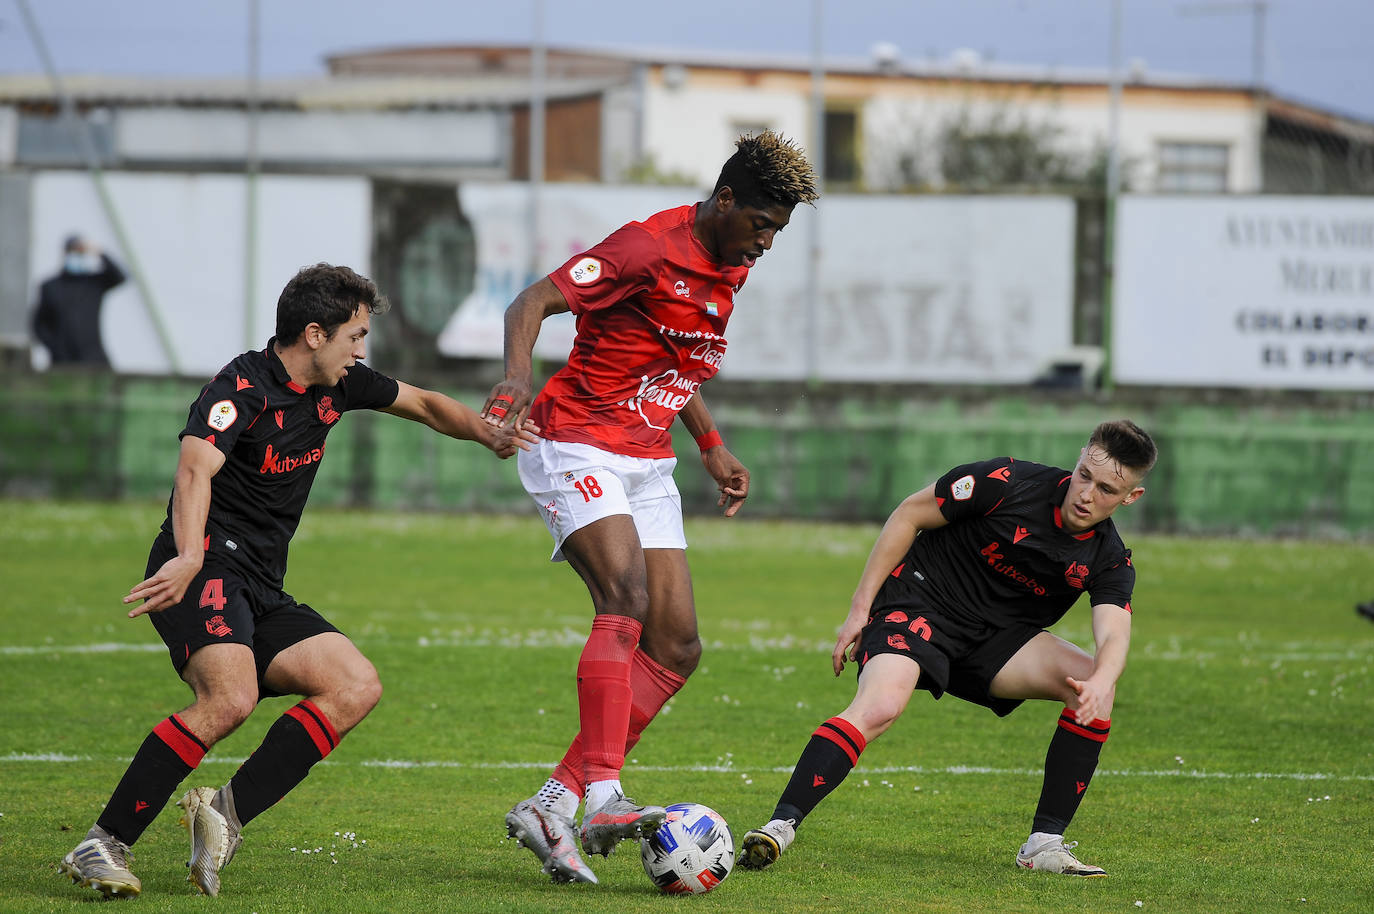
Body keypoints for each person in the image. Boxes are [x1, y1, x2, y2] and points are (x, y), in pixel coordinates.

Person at [58, 263, 538, 899]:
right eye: (355, 336)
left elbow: (422, 403)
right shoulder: (242, 388)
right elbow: (193, 473)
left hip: (259, 580)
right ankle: (103, 841)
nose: (360, 350)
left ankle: (223, 815)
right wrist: (191, 555)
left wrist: (490, 434)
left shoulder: (339, 386)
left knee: (355, 684)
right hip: (202, 565)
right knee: (230, 699)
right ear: (315, 334)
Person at [481, 130, 819, 885]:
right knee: (624, 598)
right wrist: (512, 383)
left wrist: (710, 443)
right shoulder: (644, 247)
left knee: (677, 646)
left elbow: (675, 357)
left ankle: (553, 800)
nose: (765, 244)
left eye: (778, 232)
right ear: (724, 200)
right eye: (760, 224)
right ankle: (602, 794)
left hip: (645, 456)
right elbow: (532, 300)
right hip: (573, 441)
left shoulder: (729, 262)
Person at [737, 420, 1158, 879]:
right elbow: (909, 514)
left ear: (1129, 498)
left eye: (1106, 489)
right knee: (879, 706)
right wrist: (860, 609)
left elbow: (1114, 633)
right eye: (1084, 475)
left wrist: (1100, 681)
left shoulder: (1109, 557)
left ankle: (1044, 845)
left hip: (997, 642)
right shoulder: (1006, 482)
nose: (1086, 494)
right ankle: (780, 826)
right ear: (1078, 458)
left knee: (1094, 685)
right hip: (921, 605)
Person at [31, 234, 126, 367]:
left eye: (80, 251)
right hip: (62, 360)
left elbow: (120, 277)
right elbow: (39, 325)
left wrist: (99, 252)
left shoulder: (93, 284)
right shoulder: (51, 286)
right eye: (73, 250)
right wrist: (55, 347)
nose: (76, 255)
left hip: (94, 358)